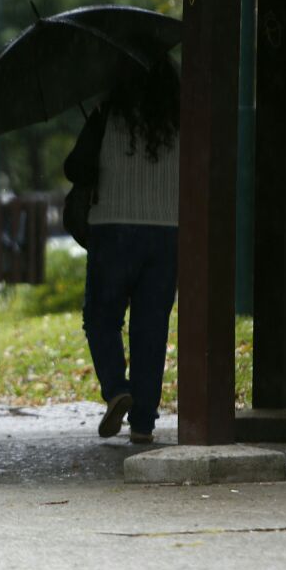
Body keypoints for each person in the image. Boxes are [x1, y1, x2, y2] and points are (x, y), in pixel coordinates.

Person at [66, 54, 180, 445]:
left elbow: (74, 169)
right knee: (150, 330)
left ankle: (117, 388)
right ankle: (144, 424)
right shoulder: (182, 118)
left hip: (112, 228)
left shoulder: (107, 114)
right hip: (166, 233)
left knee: (101, 318)